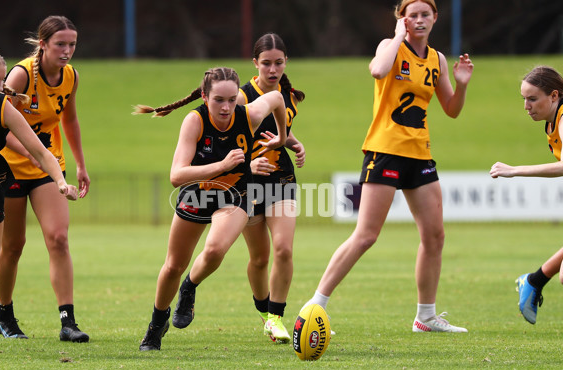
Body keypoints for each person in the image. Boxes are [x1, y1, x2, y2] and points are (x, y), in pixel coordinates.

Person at [301, 0, 474, 333]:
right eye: (412, 15)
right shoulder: (389, 47)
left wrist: (462, 83)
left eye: (426, 15)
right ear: (403, 19)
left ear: (435, 18)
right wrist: (397, 35)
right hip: (385, 151)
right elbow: (379, 70)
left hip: (420, 154)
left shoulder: (437, 59)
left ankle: (425, 317)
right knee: (366, 236)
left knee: (435, 236)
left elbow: (451, 109)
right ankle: (315, 305)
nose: (419, 20)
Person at [133, 67, 287, 351]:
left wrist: (281, 136)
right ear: (205, 97)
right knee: (172, 267)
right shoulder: (194, 121)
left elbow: (277, 97)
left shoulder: (249, 115)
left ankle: (189, 287)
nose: (226, 107)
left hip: (236, 195)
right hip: (197, 193)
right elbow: (176, 176)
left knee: (215, 250)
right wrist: (222, 166)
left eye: (231, 99)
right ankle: (157, 323)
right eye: (218, 100)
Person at [0, 45, 78, 359]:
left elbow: (41, 151)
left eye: (2, 80)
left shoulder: (1, 107)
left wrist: (60, 181)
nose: (1, 87)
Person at [0, 16, 90, 342]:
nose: (67, 51)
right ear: (43, 43)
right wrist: (31, 152)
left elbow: (70, 119)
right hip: (8, 167)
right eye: (60, 44)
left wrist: (80, 164)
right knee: (13, 246)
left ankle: (68, 321)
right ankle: (4, 314)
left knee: (59, 238)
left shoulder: (71, 76)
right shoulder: (21, 74)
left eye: (72, 44)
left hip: (49, 167)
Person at [238, 33, 305, 343]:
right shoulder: (240, 96)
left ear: (285, 62)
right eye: (266, 63)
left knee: (284, 249)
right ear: (255, 64)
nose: (272, 69)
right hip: (247, 185)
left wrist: (294, 143)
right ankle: (265, 314)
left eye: (278, 63)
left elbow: (278, 130)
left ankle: (277, 316)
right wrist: (248, 164)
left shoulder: (289, 96)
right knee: (260, 259)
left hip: (281, 181)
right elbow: (233, 138)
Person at [490, 66, 563, 325]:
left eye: (532, 99)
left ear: (554, 96)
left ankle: (534, 281)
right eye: (524, 99)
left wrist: (515, 170)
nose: (526, 106)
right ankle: (534, 281)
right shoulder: (552, 123)